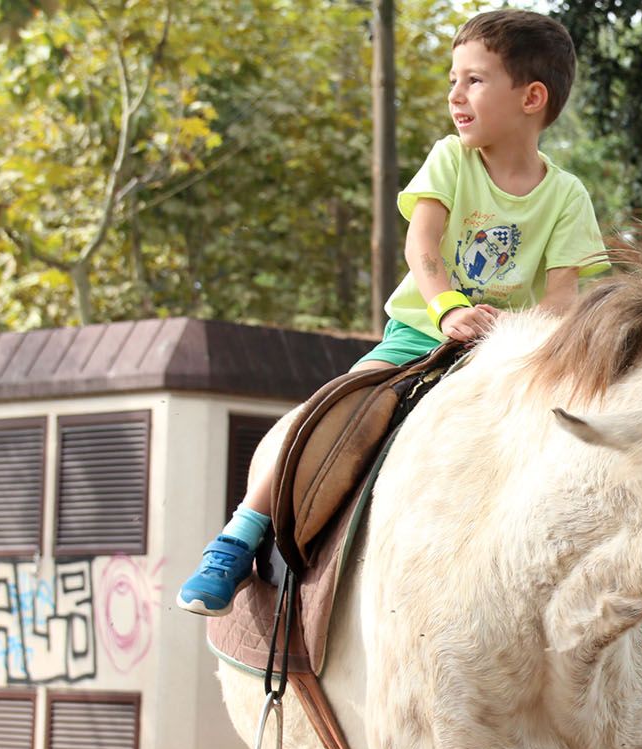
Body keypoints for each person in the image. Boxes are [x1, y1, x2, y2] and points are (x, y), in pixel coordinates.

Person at [178, 8, 607, 615]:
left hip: (509, 350)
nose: (455, 94)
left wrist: (512, 333)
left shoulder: (566, 194)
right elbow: (422, 245)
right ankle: (240, 534)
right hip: (423, 331)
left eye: (474, 80)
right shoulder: (452, 161)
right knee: (330, 413)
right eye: (453, 79)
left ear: (532, 97)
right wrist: (449, 309)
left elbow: (566, 295)